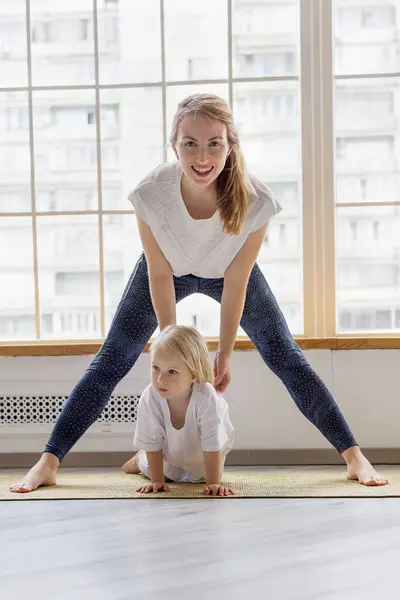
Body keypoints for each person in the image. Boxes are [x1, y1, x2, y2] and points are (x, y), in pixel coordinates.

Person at [10, 92, 387, 493]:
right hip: (167, 271)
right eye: (190, 143)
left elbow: (237, 280)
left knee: (284, 354)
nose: (202, 156)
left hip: (227, 275)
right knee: (112, 359)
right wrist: (174, 356)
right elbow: (157, 272)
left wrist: (223, 354)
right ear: (175, 145)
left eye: (214, 143)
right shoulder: (152, 193)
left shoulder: (255, 200)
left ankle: (353, 456)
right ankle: (49, 461)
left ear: (230, 145)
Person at [124, 324, 235, 496]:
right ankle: (139, 459)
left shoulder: (205, 396)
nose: (161, 378)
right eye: (156, 368)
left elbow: (212, 441)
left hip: (203, 453)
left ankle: (199, 474)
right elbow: (153, 442)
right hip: (170, 451)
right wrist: (157, 481)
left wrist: (213, 483)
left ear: (193, 374)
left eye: (172, 372)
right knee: (167, 474)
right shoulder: (150, 397)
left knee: (202, 477)